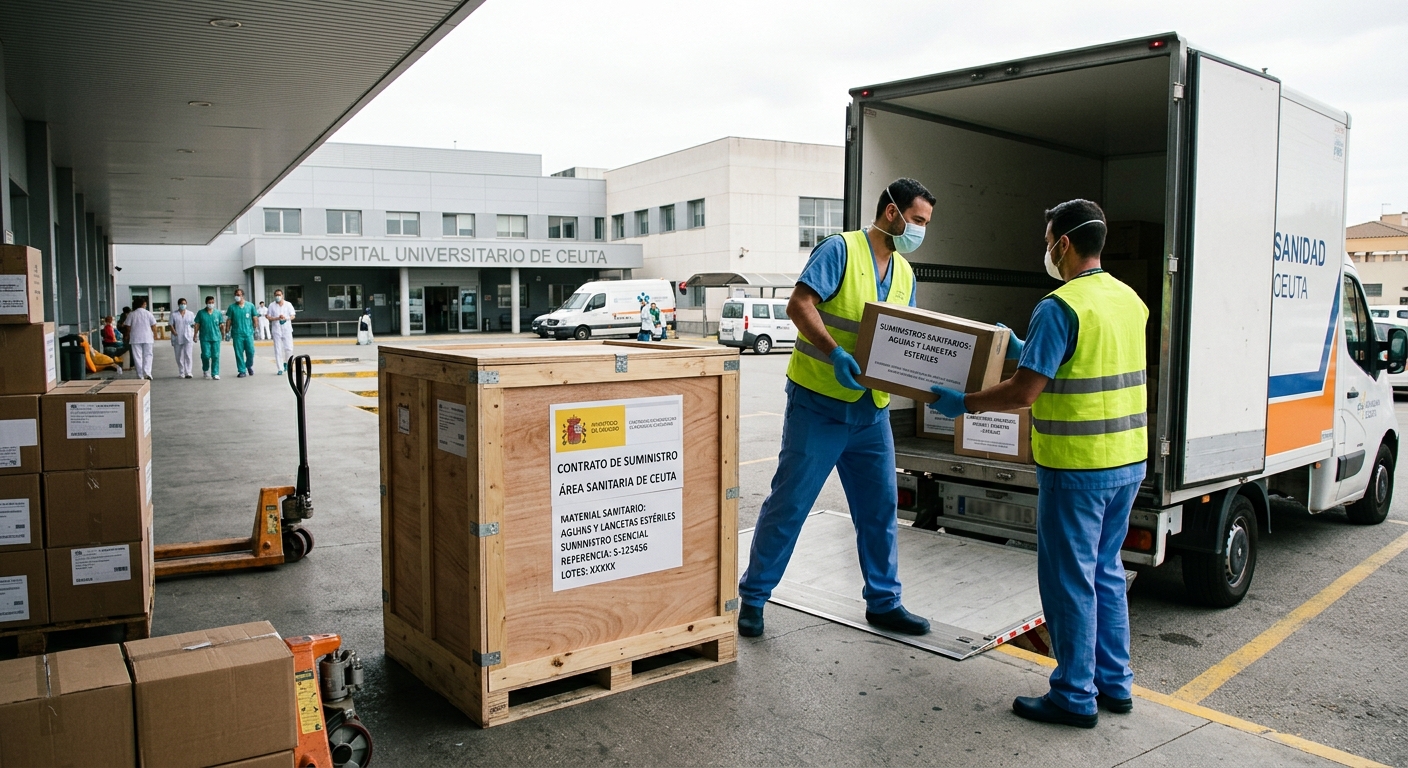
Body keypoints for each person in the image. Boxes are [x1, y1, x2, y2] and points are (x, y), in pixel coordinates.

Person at [929, 199, 1147, 729]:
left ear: (1064, 244)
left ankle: (1074, 696)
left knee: (1070, 580)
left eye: (1048, 241)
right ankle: (1114, 683)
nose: (1046, 250)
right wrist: (1033, 347)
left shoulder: (1058, 306)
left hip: (1077, 467)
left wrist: (966, 403)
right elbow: (1088, 361)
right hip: (1127, 462)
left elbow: (1025, 392)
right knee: (1106, 573)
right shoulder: (1129, 300)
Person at [737, 178, 935, 639]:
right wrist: (835, 352)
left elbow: (907, 337)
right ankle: (755, 597)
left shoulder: (905, 273)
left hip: (871, 411)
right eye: (917, 220)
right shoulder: (840, 250)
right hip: (819, 404)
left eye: (926, 223)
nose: (921, 231)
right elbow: (799, 305)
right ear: (892, 213)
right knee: (790, 503)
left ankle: (884, 602)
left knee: (879, 510)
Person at [225, 288, 258, 378]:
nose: (237, 297)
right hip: (237, 334)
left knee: (251, 351)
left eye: (239, 295)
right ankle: (242, 370)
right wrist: (227, 332)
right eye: (236, 295)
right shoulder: (232, 307)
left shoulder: (250, 306)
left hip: (248, 333)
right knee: (238, 353)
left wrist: (256, 329)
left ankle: (248, 365)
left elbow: (255, 317)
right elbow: (229, 320)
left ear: (242, 295)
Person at [125, 298, 158, 380]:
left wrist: (127, 335)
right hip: (147, 337)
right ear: (142, 304)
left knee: (137, 357)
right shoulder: (148, 313)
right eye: (145, 304)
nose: (145, 305)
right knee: (148, 355)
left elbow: (128, 327)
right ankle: (147, 373)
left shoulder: (131, 314)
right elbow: (154, 325)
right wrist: (155, 335)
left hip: (135, 338)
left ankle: (140, 375)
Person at [193, 295, 224, 380]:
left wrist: (223, 334)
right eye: (209, 302)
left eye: (212, 302)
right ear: (206, 303)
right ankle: (205, 369)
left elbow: (221, 324)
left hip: (216, 337)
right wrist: (195, 334)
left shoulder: (218, 313)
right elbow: (197, 324)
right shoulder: (201, 313)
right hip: (205, 338)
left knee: (215, 355)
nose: (211, 304)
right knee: (206, 355)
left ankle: (215, 373)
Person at [267, 289, 296, 374]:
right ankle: (280, 368)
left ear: (282, 295)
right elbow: (268, 316)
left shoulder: (288, 304)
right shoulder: (272, 305)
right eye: (276, 295)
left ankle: (287, 363)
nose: (278, 296)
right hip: (276, 330)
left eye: (279, 295)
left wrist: (286, 318)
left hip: (287, 329)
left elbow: (293, 316)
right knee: (278, 349)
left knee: (289, 348)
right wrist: (277, 318)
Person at [169, 298, 196, 379]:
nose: (183, 305)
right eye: (181, 304)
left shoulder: (190, 314)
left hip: (188, 336)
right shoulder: (174, 314)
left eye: (184, 303)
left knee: (188, 354)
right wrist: (174, 332)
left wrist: (194, 334)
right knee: (179, 355)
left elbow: (194, 324)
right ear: (179, 305)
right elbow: (170, 325)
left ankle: (188, 372)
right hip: (178, 336)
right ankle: (181, 372)